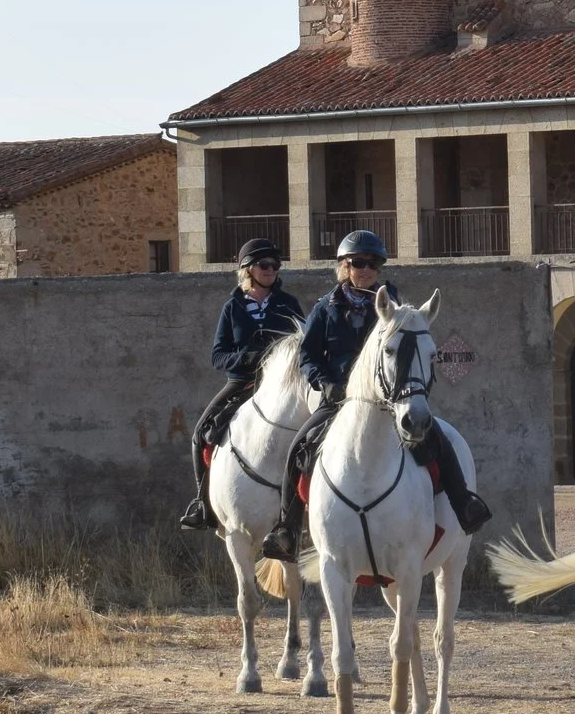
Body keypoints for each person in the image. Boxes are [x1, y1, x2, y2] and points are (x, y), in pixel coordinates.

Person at [260, 229, 491, 560]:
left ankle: (463, 503)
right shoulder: (325, 308)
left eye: (373, 263)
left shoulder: (397, 310)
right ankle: (287, 528)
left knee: (437, 437)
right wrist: (325, 383)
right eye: (358, 262)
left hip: (388, 399)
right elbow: (308, 356)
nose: (366, 269)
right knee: (302, 443)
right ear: (345, 266)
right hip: (339, 398)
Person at [178, 237, 304, 531]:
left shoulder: (288, 304)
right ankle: (203, 505)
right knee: (199, 434)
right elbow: (218, 356)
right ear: (247, 269)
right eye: (264, 265)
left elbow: (305, 345)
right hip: (242, 383)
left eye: (275, 265)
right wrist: (248, 358)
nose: (271, 269)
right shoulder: (232, 307)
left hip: (282, 387)